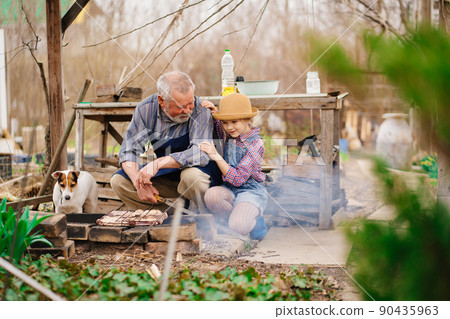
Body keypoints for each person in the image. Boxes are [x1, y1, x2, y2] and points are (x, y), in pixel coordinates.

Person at [110, 71, 221, 213]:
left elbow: (201, 153)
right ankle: (172, 216)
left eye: (190, 103)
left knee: (191, 177)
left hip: (201, 171)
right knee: (119, 182)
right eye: (181, 107)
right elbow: (128, 151)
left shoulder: (201, 109)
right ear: (161, 101)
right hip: (169, 174)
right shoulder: (145, 110)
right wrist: (138, 183)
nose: (187, 110)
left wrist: (158, 163)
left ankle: (206, 220)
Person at [199, 93, 268, 240]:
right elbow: (219, 125)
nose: (229, 127)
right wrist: (214, 112)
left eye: (234, 121)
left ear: (248, 120)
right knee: (211, 196)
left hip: (250, 191)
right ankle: (237, 215)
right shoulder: (229, 134)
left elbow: (238, 179)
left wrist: (216, 156)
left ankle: (254, 221)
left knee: (239, 226)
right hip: (230, 190)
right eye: (225, 122)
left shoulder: (256, 144)